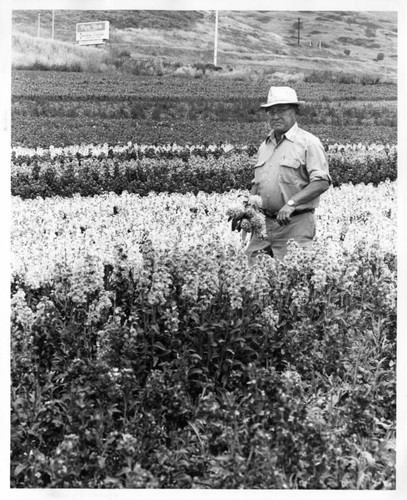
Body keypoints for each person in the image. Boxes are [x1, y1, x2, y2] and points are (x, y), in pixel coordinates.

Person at [245, 86, 331, 262]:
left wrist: (291, 203)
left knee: (292, 279)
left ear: (295, 111)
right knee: (251, 278)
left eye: (282, 111)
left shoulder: (309, 143)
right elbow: (257, 184)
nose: (275, 116)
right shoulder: (265, 145)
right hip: (262, 227)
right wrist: (247, 211)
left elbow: (321, 182)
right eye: (271, 112)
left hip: (294, 226)